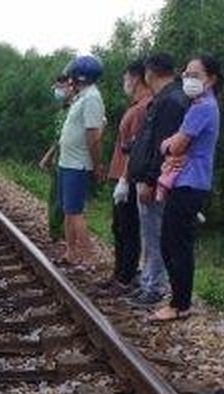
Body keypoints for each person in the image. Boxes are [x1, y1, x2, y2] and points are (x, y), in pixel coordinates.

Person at [150, 55, 223, 322]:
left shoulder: (203, 107)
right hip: (186, 182)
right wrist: (171, 145)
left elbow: (176, 146)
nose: (189, 79)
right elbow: (176, 145)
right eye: (187, 74)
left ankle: (180, 304)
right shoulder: (200, 105)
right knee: (173, 242)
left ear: (211, 79)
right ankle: (179, 300)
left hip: (190, 183)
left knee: (176, 244)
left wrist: (167, 145)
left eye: (196, 75)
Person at [126, 52, 191, 309]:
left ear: (150, 73)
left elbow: (163, 147)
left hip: (157, 182)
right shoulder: (167, 98)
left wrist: (150, 180)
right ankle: (149, 283)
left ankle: (154, 288)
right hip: (155, 178)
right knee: (151, 234)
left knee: (154, 236)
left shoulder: (169, 101)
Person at [97, 61, 151, 294]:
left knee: (128, 228)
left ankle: (126, 278)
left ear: (136, 78)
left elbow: (136, 147)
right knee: (119, 227)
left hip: (127, 177)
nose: (124, 83)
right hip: (121, 175)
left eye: (126, 78)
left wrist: (125, 179)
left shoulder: (142, 109)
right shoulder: (136, 106)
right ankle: (119, 274)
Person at [56, 55, 107, 268]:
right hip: (67, 162)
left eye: (72, 76)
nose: (69, 80)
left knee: (75, 212)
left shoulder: (92, 98)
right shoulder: (82, 97)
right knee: (69, 210)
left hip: (78, 164)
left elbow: (93, 135)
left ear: (80, 76)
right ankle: (71, 252)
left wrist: (97, 165)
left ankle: (90, 258)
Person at [39, 72, 74, 242]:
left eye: (60, 87)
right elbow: (58, 138)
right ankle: (55, 232)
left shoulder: (76, 108)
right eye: (56, 88)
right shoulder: (62, 110)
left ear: (70, 86)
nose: (57, 91)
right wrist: (48, 156)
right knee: (54, 196)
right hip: (59, 156)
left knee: (62, 198)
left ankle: (61, 232)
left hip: (70, 158)